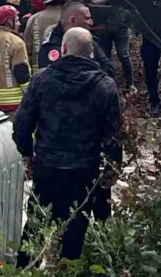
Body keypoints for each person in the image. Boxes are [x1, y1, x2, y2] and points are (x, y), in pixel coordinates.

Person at [13, 27, 121, 263]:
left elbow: (22, 124)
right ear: (91, 53)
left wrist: (27, 155)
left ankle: (23, 269)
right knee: (75, 231)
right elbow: (113, 135)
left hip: (47, 166)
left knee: (35, 226)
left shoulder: (41, 79)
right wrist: (111, 169)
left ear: (63, 49)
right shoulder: (105, 86)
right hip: (84, 170)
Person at [37, 1, 116, 80]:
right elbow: (48, 80)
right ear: (73, 20)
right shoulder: (51, 47)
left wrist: (93, 82)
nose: (91, 23)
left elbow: (109, 68)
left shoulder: (89, 41)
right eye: (87, 18)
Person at [22, 0, 68, 68]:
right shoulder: (69, 17)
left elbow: (27, 50)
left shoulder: (33, 19)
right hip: (64, 73)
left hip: (39, 73)